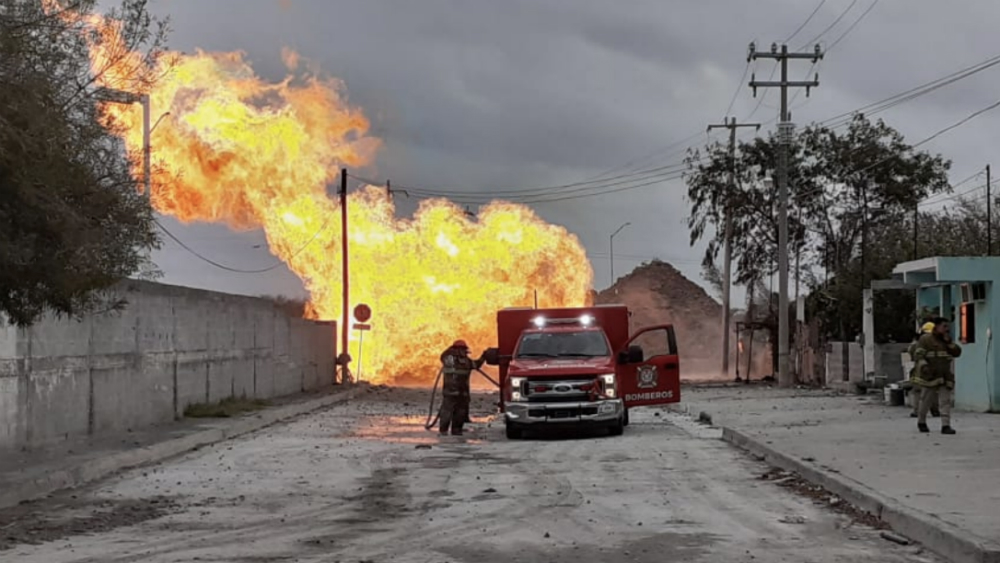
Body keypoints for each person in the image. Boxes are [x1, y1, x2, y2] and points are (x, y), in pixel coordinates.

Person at [911, 317, 962, 434]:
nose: (946, 329)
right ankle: (921, 421)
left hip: (945, 375)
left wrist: (949, 343)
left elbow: (957, 352)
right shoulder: (926, 339)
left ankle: (946, 425)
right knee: (926, 400)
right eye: (944, 326)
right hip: (931, 375)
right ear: (937, 326)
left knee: (945, 401)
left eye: (947, 326)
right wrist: (924, 367)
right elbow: (918, 355)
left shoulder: (946, 340)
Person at [438, 340, 485, 436]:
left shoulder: (456, 359)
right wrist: (483, 357)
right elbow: (476, 364)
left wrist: (484, 357)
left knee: (458, 413)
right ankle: (447, 430)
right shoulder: (451, 359)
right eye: (463, 350)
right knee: (448, 411)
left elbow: (476, 364)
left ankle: (453, 431)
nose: (464, 353)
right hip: (455, 392)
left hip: (457, 393)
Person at [908, 322, 939, 418]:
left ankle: (917, 411)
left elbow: (911, 352)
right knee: (932, 390)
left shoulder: (917, 343)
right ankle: (935, 410)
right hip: (932, 368)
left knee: (918, 390)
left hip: (920, 369)